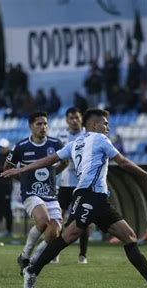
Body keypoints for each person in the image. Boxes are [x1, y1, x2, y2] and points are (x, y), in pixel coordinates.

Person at [1, 108, 147, 288]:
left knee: (129, 236)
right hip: (89, 195)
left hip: (98, 198)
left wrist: (21, 170)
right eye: (105, 123)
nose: (108, 126)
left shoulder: (75, 143)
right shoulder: (100, 139)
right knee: (68, 236)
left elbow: (48, 160)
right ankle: (32, 269)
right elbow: (122, 162)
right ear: (94, 125)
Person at [4, 111, 67, 275]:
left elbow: (65, 162)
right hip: (31, 193)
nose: (43, 127)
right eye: (39, 124)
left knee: (53, 233)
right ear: (31, 126)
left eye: (45, 124)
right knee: (43, 221)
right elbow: (7, 168)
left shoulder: (56, 144)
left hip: (50, 194)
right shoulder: (21, 146)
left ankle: (29, 260)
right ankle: (26, 256)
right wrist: (24, 180)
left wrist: (53, 174)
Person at [57, 107, 89, 263]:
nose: (74, 120)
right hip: (65, 182)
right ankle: (55, 252)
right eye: (71, 118)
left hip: (83, 183)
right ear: (66, 120)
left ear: (81, 118)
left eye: (77, 117)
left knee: (83, 219)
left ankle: (83, 255)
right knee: (58, 218)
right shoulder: (60, 136)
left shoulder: (88, 135)